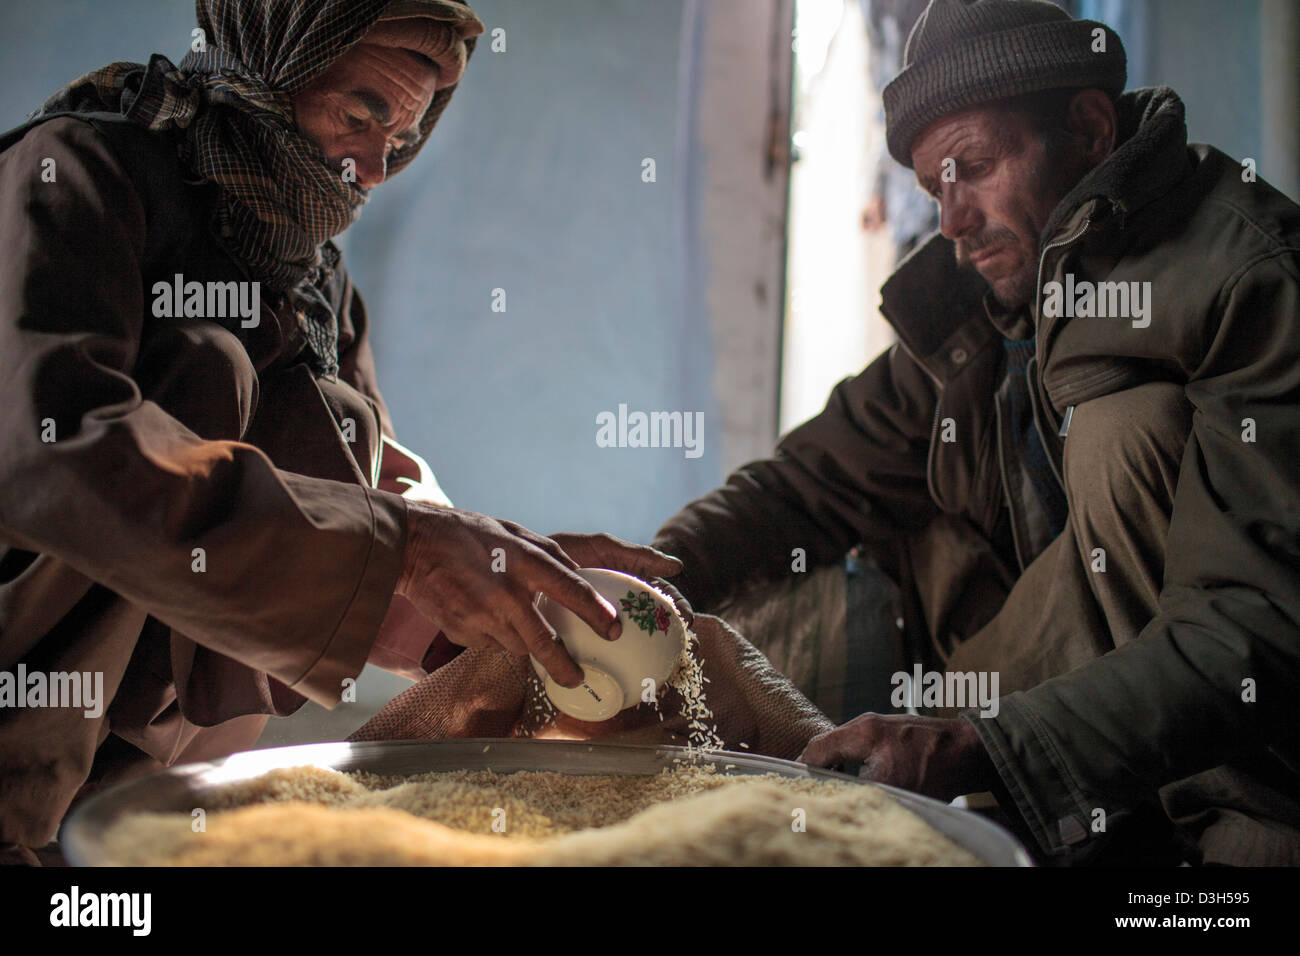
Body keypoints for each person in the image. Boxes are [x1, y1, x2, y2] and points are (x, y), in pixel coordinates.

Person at [0, 0, 679, 864]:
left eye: (399, 139)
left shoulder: (309, 268)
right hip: (21, 749)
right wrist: (410, 549)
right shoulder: (75, 173)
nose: (373, 167)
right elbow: (57, 456)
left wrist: (509, 590)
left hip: (140, 786)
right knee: (207, 367)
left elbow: (362, 499)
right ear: (271, 57)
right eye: (359, 114)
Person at [653, 0, 1300, 865]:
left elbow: (1248, 629)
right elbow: (804, 484)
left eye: (977, 167)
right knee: (717, 671)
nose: (952, 220)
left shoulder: (1250, 278)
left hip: (1242, 767)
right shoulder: (982, 311)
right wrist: (643, 581)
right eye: (933, 187)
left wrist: (981, 746)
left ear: (1088, 127)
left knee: (1124, 429)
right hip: (1020, 708)